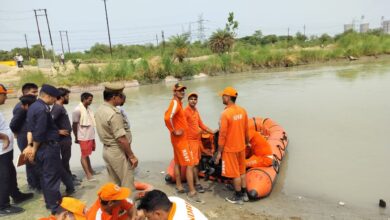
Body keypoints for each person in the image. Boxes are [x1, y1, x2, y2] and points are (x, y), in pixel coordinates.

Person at [23, 84, 63, 214]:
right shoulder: (42, 109)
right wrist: (33, 150)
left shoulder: (33, 106)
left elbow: (30, 129)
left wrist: (29, 146)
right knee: (52, 177)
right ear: (47, 96)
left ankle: (50, 202)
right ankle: (55, 207)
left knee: (45, 177)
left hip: (41, 148)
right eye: (54, 98)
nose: (55, 101)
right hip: (47, 148)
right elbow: (39, 133)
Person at [95, 83, 138, 193]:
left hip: (107, 150)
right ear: (114, 97)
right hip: (117, 151)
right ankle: (129, 206)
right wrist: (131, 156)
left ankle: (116, 208)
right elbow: (121, 139)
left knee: (114, 183)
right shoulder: (114, 113)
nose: (122, 98)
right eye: (120, 96)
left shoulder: (100, 109)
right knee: (127, 183)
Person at [164, 83, 203, 203]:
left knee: (177, 162)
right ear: (174, 92)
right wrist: (174, 130)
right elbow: (167, 118)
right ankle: (192, 192)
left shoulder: (178, 103)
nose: (182, 92)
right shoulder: (175, 103)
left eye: (183, 90)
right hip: (180, 140)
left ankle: (179, 186)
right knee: (190, 164)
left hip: (178, 140)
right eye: (179, 90)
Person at [0, 84, 34, 216]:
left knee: (10, 172)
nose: (6, 97)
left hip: (5, 150)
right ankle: (3, 206)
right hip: (1, 150)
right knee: (3, 176)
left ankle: (15, 194)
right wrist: (5, 137)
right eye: (4, 95)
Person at [214, 87, 249, 205]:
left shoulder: (225, 114)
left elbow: (222, 135)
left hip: (230, 149)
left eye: (223, 96)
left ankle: (238, 196)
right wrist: (247, 142)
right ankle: (244, 194)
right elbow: (246, 130)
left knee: (235, 174)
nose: (222, 98)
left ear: (228, 97)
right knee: (242, 171)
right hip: (241, 147)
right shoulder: (243, 110)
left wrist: (219, 152)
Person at [9, 83, 41, 191]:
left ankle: (35, 182)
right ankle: (33, 184)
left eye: (37, 92)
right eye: (33, 92)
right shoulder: (21, 107)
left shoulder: (33, 104)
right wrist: (17, 133)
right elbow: (13, 124)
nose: (36, 94)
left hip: (30, 135)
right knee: (30, 160)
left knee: (34, 158)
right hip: (24, 137)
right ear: (25, 93)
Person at [184, 92, 214, 193]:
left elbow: (201, 124)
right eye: (191, 99)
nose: (193, 100)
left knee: (196, 164)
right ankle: (193, 188)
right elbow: (181, 127)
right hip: (189, 142)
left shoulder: (196, 110)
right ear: (188, 100)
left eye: (195, 99)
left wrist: (212, 132)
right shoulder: (185, 111)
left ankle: (197, 183)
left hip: (196, 141)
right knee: (191, 165)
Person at [51, 87, 76, 194]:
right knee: (64, 160)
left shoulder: (60, 107)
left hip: (66, 138)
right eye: (67, 96)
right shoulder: (57, 108)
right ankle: (67, 180)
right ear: (61, 97)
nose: (68, 98)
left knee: (66, 159)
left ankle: (69, 177)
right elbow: (48, 122)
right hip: (62, 139)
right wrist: (58, 131)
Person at [72, 92, 96, 181]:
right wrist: (76, 137)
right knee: (84, 155)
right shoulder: (77, 110)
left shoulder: (88, 109)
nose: (91, 101)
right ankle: (88, 175)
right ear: (84, 99)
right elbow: (74, 125)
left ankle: (90, 170)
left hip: (90, 135)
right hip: (83, 136)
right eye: (90, 100)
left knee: (87, 154)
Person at [137, 189, 207, 220]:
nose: (147, 219)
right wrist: (143, 212)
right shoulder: (175, 200)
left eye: (148, 217)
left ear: (158, 214)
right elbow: (156, 198)